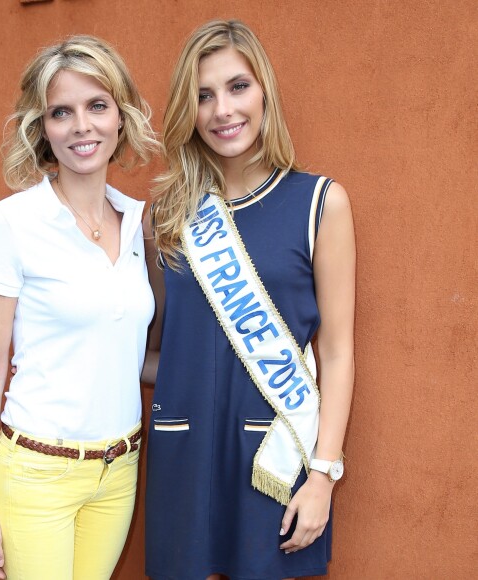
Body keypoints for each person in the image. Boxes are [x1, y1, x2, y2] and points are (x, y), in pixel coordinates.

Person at [144, 19, 355, 580]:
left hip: (276, 458)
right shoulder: (164, 218)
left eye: (238, 87)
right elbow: (150, 345)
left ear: (265, 92)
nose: (222, 111)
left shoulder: (319, 202)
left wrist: (324, 476)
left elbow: (335, 352)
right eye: (203, 95)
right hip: (183, 455)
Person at [0, 35, 158, 579]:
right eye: (61, 112)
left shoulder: (139, 223)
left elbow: (127, 352)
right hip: (37, 473)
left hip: (118, 471)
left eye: (97, 106)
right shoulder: (12, 224)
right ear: (42, 128)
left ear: (120, 117)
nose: (82, 126)